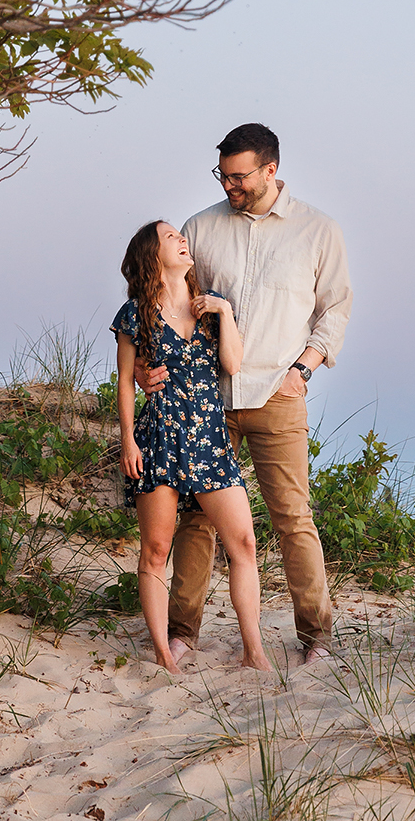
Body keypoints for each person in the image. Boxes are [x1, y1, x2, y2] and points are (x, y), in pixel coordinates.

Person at [137, 124, 353, 666]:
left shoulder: (318, 230)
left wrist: (303, 368)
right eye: (223, 176)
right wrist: (145, 365)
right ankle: (182, 629)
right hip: (202, 401)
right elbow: (165, 300)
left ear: (270, 170)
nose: (229, 186)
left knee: (292, 517)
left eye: (239, 177)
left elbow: (335, 309)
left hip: (278, 394)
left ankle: (316, 639)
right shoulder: (201, 227)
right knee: (198, 518)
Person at [111, 219, 271, 674]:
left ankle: (253, 650)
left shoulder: (210, 308)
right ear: (152, 255)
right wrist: (127, 440)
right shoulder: (135, 313)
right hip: (158, 437)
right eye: (171, 237)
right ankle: (164, 653)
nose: (183, 240)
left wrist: (224, 313)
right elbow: (126, 382)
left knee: (242, 542)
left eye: (181, 236)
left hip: (209, 440)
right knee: (156, 551)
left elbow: (233, 364)